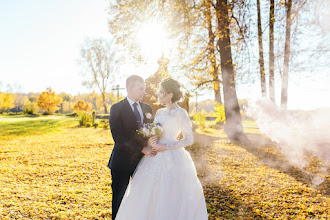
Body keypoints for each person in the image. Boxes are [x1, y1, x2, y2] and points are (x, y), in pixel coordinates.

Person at [115, 78, 208, 220]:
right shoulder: (159, 113)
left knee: (170, 193)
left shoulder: (181, 113)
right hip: (154, 156)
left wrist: (165, 146)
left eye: (161, 92)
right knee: (148, 193)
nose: (157, 94)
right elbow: (156, 132)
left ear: (170, 95)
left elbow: (189, 139)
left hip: (173, 156)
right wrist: (152, 140)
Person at [108, 75, 155, 220]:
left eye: (144, 89)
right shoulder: (116, 108)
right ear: (130, 88)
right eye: (141, 89)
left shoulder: (147, 108)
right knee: (119, 200)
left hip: (142, 164)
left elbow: (152, 130)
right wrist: (141, 149)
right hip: (121, 163)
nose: (144, 92)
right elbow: (118, 138)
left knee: (139, 200)